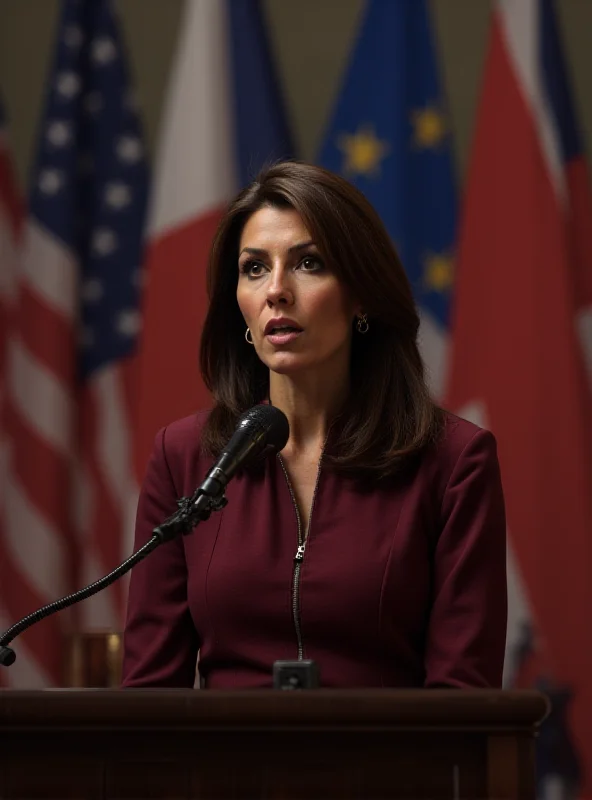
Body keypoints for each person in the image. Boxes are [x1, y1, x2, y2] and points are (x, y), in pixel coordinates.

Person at [121, 161, 507, 689]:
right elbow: (148, 697)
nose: (276, 290)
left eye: (309, 263)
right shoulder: (184, 456)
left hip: (395, 769)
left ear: (361, 294)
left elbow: (464, 696)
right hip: (222, 770)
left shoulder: (454, 461)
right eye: (254, 268)